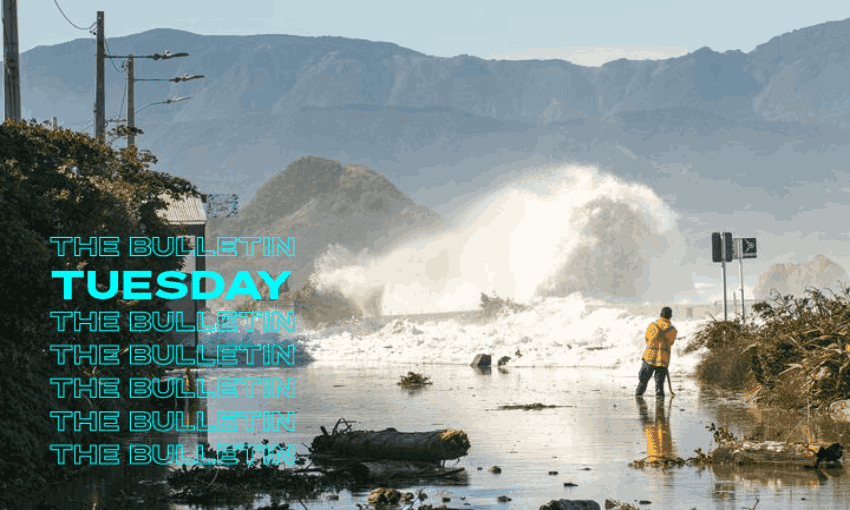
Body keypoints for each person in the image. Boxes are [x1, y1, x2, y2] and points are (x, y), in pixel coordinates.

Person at [635, 306, 677, 399]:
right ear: (670, 316)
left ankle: (638, 396)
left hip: (649, 358)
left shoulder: (652, 326)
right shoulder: (673, 330)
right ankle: (660, 401)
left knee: (643, 381)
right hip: (663, 360)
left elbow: (647, 340)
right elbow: (671, 343)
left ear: (660, 315)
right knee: (659, 385)